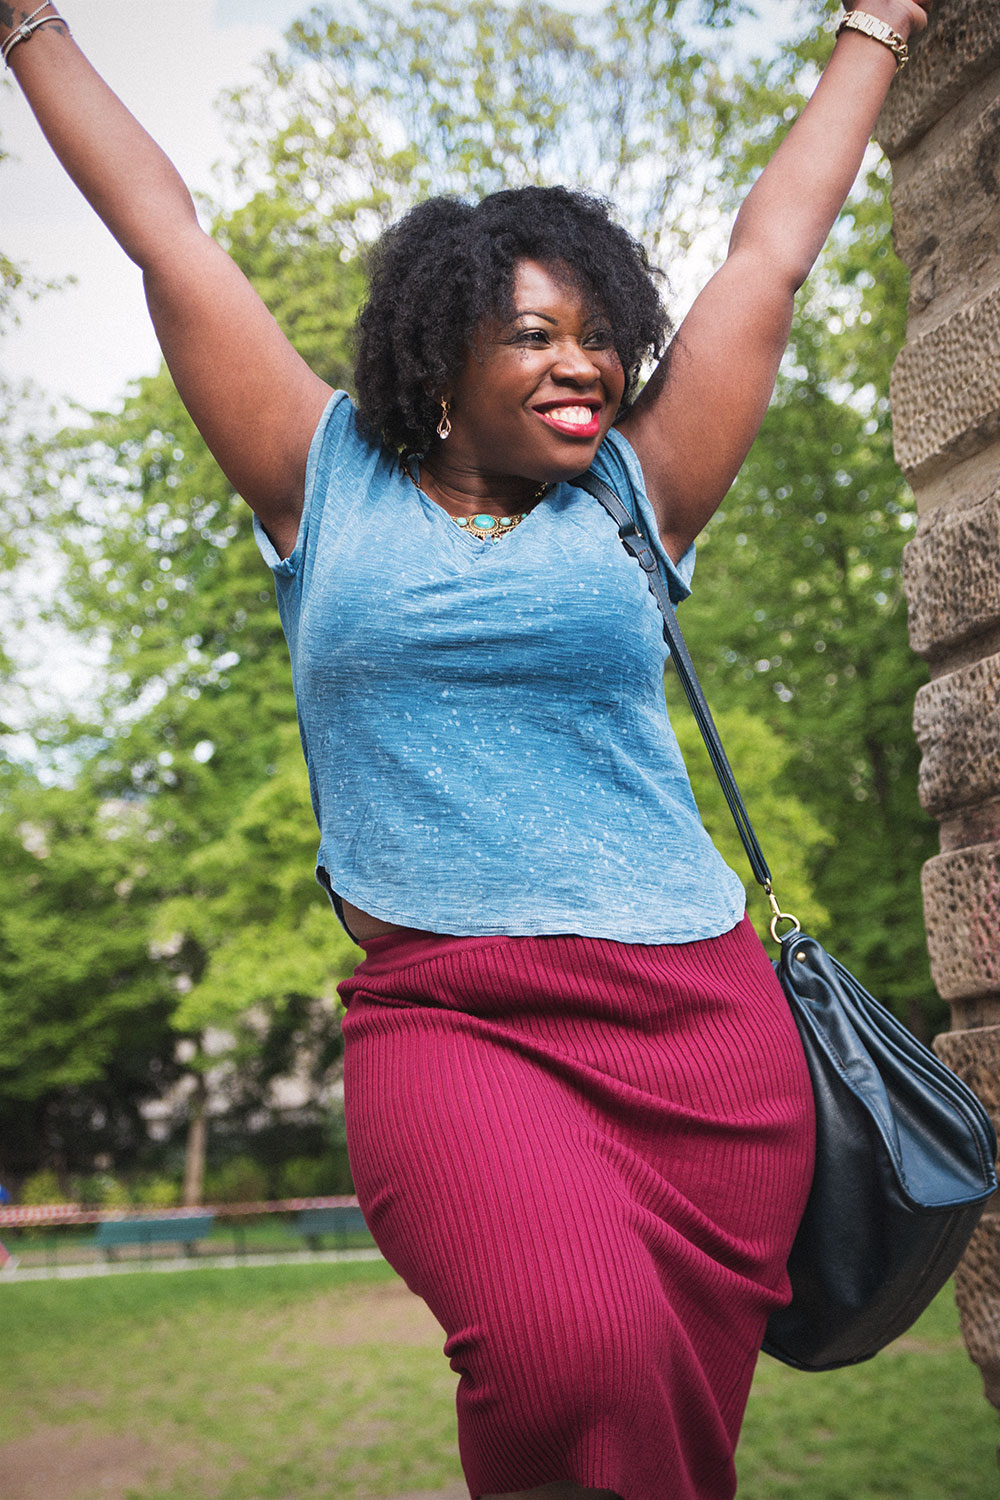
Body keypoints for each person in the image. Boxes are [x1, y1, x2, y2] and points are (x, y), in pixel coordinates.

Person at [3, 2, 931, 1496]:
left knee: (666, 1426)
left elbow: (771, 254)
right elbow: (165, 233)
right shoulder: (326, 484)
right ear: (444, 359)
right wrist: (31, 26)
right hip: (452, 1021)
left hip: (702, 1028)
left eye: (605, 336)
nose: (592, 365)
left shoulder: (641, 494)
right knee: (570, 1353)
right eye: (538, 337)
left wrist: (877, 24)